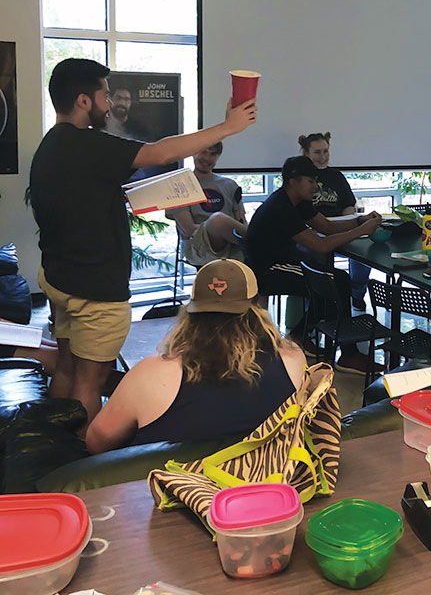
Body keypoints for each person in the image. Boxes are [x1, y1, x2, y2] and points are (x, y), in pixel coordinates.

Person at [28, 58, 257, 426]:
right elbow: (160, 152)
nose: (108, 103)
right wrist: (227, 127)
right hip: (95, 290)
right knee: (92, 379)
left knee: (68, 368)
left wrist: (107, 199)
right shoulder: (87, 143)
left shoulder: (50, 147)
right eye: (104, 94)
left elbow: (61, 205)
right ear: (84, 100)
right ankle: (87, 465)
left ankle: (57, 447)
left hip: (60, 279)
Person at [85, 259, 305, 453]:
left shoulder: (148, 374)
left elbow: (97, 443)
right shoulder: (293, 360)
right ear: (257, 310)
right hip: (264, 491)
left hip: (174, 496)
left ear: (190, 314)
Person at [245, 156, 381, 374]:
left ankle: (305, 339)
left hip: (283, 262)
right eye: (311, 181)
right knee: (330, 283)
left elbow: (326, 227)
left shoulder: (297, 202)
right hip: (268, 270)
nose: (316, 186)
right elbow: (320, 245)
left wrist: (359, 220)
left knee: (336, 280)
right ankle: (344, 352)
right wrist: (360, 231)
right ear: (293, 181)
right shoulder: (282, 207)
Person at [299, 132, 372, 310]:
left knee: (363, 250)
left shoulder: (337, 176)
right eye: (317, 152)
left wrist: (348, 223)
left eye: (326, 151)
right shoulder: (300, 179)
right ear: (306, 153)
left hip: (339, 229)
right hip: (312, 233)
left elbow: (348, 205)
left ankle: (357, 293)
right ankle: (320, 300)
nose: (322, 157)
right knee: (316, 251)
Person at [165, 142, 249, 267]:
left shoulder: (229, 185)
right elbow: (189, 229)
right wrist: (217, 228)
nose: (207, 158)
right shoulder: (178, 186)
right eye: (203, 152)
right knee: (217, 220)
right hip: (198, 245)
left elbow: (241, 222)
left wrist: (225, 231)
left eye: (213, 154)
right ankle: (259, 243)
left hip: (232, 243)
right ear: (193, 153)